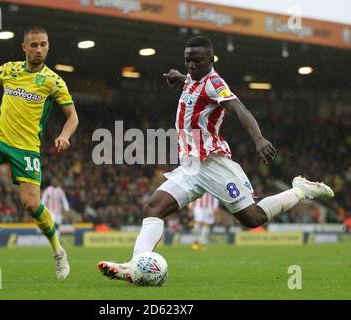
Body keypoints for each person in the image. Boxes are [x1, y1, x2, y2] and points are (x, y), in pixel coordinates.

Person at [97, 36, 334, 282]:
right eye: (188, 60)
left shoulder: (214, 83)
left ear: (211, 60)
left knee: (253, 218)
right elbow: (190, 79)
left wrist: (259, 138)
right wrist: (179, 76)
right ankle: (135, 266)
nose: (191, 65)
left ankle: (300, 190)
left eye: (197, 60)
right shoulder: (192, 76)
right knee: (153, 207)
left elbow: (238, 108)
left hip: (213, 163)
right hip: (190, 167)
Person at [0, 26, 78, 279]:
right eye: (34, 45)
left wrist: (64, 135)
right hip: (0, 140)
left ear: (48, 46)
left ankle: (58, 252)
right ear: (24, 47)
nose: (39, 49)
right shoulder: (8, 70)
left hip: (27, 149)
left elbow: (72, 116)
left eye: (44, 44)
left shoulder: (53, 80)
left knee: (31, 205)